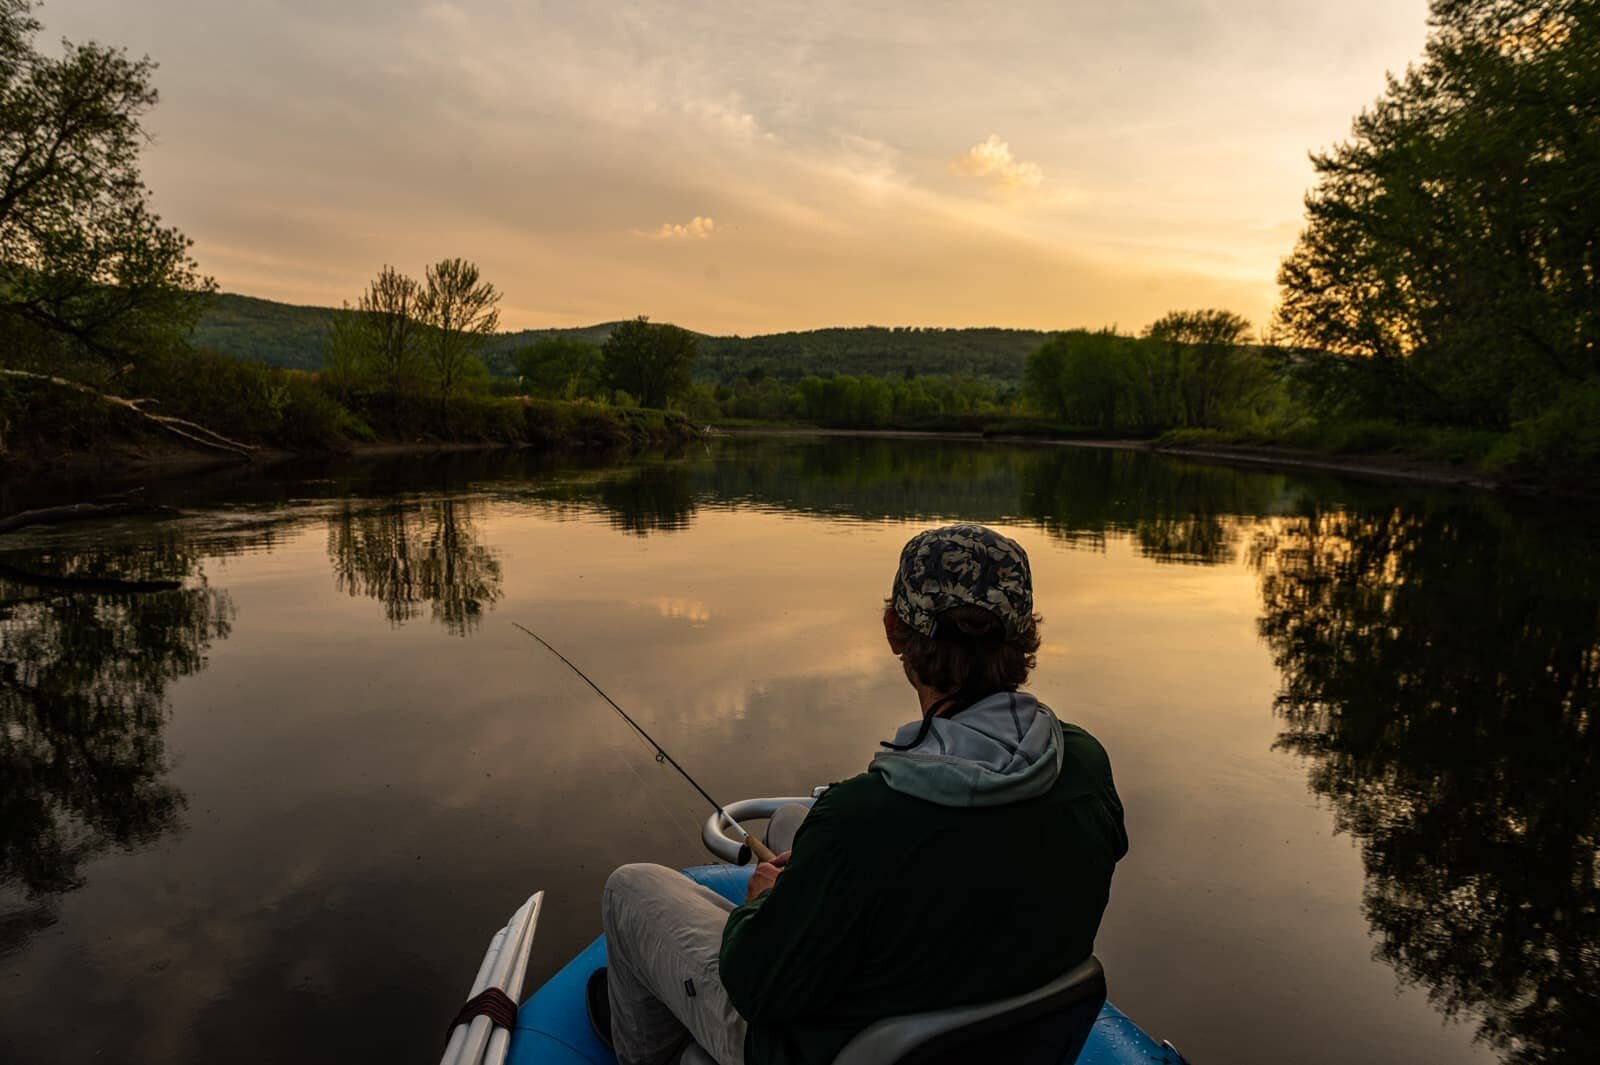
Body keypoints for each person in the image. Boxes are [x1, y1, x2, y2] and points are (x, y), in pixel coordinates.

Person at [593, 523, 1128, 1065]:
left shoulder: (861, 818)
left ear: (895, 629)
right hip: (990, 1029)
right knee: (793, 825)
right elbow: (975, 856)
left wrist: (760, 907)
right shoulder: (1084, 761)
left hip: (825, 1047)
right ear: (1023, 636)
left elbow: (756, 986)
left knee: (630, 888)